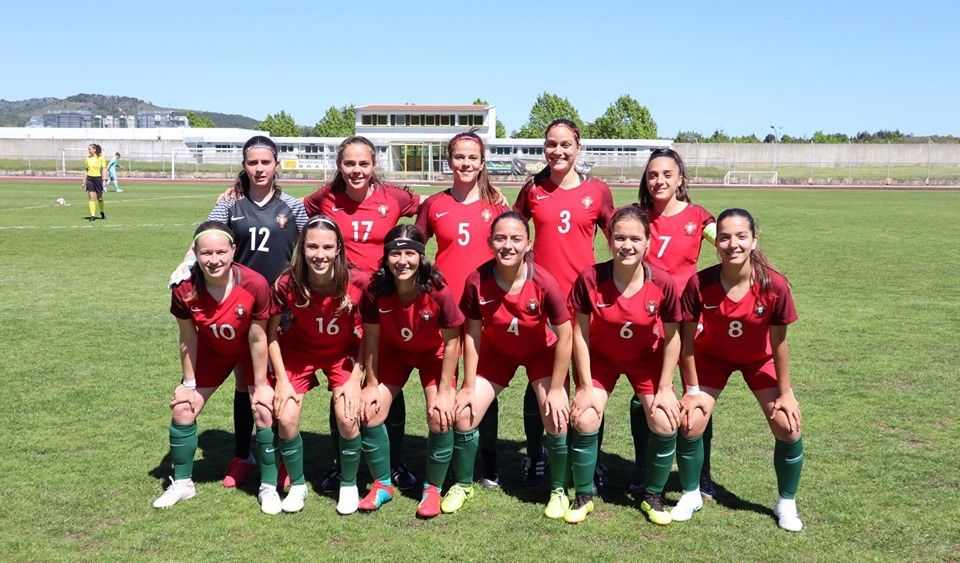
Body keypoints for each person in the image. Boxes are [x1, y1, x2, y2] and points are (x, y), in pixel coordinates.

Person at [169, 135, 307, 490]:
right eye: (252, 163)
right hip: (234, 309)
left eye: (265, 162)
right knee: (245, 387)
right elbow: (205, 238)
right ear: (243, 166)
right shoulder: (229, 206)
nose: (259, 169)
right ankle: (244, 456)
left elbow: (309, 247)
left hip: (278, 310)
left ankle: (276, 458)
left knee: (268, 386)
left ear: (277, 165)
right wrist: (186, 262)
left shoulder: (293, 206)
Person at [567, 205, 702, 525]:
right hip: (602, 359)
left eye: (635, 239)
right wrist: (585, 386)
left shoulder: (664, 283)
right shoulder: (590, 278)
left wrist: (666, 387)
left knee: (665, 421)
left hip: (646, 360)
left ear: (648, 243)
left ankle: (652, 495)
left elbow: (672, 339)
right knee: (585, 418)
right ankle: (584, 493)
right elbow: (579, 334)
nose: (626, 245)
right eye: (619, 238)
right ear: (609, 241)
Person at [302, 136, 421, 492]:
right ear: (340, 165)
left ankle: (394, 462)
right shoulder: (324, 199)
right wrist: (235, 194)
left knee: (384, 384)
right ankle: (342, 463)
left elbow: (427, 206)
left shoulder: (393, 198)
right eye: (349, 164)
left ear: (374, 166)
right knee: (342, 384)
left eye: (363, 164)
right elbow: (298, 210)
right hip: (340, 306)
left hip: (385, 304)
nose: (356, 171)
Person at [440, 211, 573, 519]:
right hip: (497, 354)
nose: (508, 245)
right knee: (464, 414)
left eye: (516, 239)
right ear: (490, 242)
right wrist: (469, 386)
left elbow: (565, 336)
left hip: (540, 353)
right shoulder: (477, 280)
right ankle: (463, 484)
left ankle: (558, 490)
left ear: (528, 244)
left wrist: (556, 389)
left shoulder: (543, 281)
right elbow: (471, 336)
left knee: (556, 418)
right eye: (500, 238)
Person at [678, 208, 804, 532]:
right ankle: (691, 493)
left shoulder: (774, 285)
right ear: (715, 242)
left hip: (756, 360)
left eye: (741, 236)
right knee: (690, 421)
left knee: (788, 426)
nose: (732, 244)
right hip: (712, 358)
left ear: (753, 240)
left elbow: (779, 344)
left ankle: (786, 502)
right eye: (725, 237)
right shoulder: (699, 283)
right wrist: (692, 392)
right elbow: (687, 342)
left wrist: (786, 394)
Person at [513, 119, 614, 490]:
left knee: (589, 379)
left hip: (586, 303)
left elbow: (617, 239)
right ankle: (537, 456)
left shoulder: (598, 191)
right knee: (542, 378)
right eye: (551, 144)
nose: (558, 151)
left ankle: (592, 458)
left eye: (565, 145)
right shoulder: (533, 189)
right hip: (541, 301)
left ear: (578, 148)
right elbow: (512, 231)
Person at [154, 221, 277, 513]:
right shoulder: (184, 286)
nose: (214, 260)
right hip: (211, 352)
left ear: (233, 251)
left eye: (221, 252)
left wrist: (260, 385)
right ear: (194, 252)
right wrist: (188, 383)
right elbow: (187, 337)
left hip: (249, 351)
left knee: (263, 408)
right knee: (183, 408)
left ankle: (269, 486)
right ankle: (183, 484)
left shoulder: (254, 283)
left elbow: (259, 337)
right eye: (206, 253)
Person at [414, 131, 509, 488]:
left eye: (472, 157)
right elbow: (415, 250)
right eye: (459, 157)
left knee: (481, 383)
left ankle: (489, 464)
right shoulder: (435, 204)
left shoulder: (497, 207)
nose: (466, 163)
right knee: (449, 382)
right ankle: (454, 458)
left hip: (486, 309)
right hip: (446, 311)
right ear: (449, 161)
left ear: (482, 163)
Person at [266, 215, 373, 515]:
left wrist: (356, 378)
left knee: (348, 418)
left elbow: (370, 334)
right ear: (302, 247)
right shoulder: (288, 281)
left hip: (341, 354)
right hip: (298, 352)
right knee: (285, 418)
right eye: (312, 246)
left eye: (327, 247)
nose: (319, 255)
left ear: (338, 248)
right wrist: (283, 382)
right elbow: (270, 333)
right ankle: (297, 485)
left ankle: (349, 485)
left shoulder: (358, 281)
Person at [629, 147, 718, 498]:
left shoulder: (699, 217)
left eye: (667, 174)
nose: (659, 180)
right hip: (649, 323)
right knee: (644, 396)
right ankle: (643, 466)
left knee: (695, 397)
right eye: (653, 175)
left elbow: (730, 246)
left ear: (680, 179)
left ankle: (702, 472)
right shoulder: (640, 217)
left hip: (690, 324)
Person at [358, 224, 464, 518]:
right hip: (393, 355)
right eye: (394, 254)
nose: (402, 261)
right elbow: (371, 338)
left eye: (409, 254)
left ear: (421, 257)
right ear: (386, 257)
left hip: (433, 356)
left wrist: (444, 393)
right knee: (370, 411)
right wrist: (371, 382)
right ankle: (382, 485)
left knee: (441, 417)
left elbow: (452, 343)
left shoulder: (438, 289)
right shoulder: (375, 289)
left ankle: (432, 490)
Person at [81, 143, 107, 220]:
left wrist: (104, 180)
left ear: (94, 150)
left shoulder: (101, 158)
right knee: (91, 197)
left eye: (90, 149)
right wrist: (83, 182)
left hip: (98, 179)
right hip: (90, 179)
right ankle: (93, 216)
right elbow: (86, 170)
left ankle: (102, 212)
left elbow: (104, 169)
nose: (88, 151)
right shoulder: (87, 159)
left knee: (99, 198)